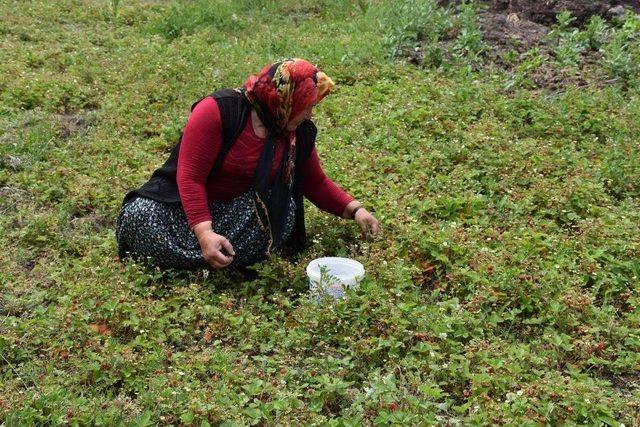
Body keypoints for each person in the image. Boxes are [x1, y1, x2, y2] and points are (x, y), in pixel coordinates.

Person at [115, 58, 380, 270]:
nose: (310, 113)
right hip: (182, 206)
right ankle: (213, 256)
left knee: (282, 212)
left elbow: (315, 182)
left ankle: (202, 259)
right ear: (284, 101)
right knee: (140, 217)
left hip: (234, 210)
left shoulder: (295, 130)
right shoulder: (217, 111)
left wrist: (356, 210)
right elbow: (190, 178)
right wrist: (205, 233)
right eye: (305, 105)